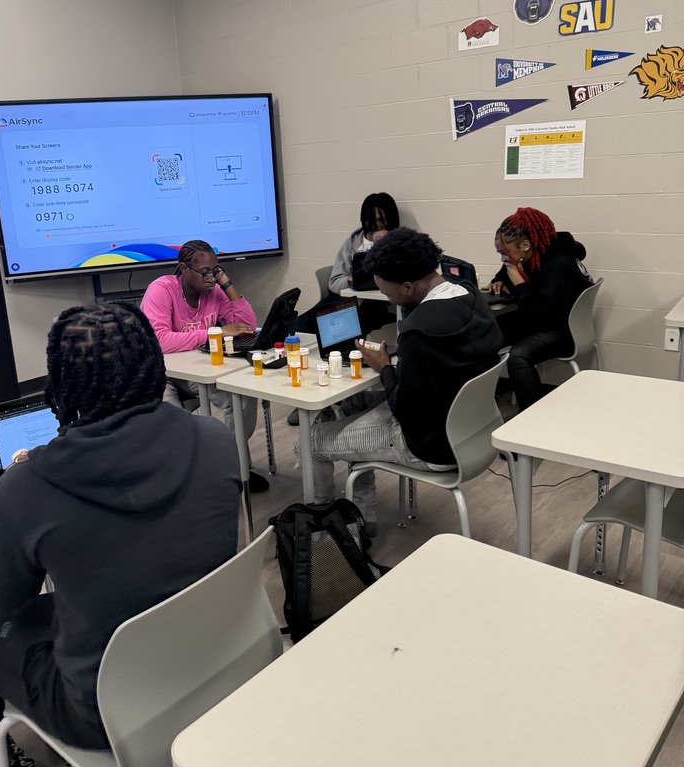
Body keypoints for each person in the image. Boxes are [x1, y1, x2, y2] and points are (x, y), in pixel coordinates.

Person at [0, 302, 241, 767]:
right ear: (154, 366)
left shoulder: (29, 486)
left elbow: (3, 600)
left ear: (60, 388)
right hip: (215, 664)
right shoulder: (216, 437)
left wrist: (17, 510)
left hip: (104, 714)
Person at [302, 227, 503, 535]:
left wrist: (384, 367)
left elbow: (403, 411)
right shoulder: (470, 295)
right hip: (473, 430)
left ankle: (324, 529)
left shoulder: (417, 330)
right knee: (354, 403)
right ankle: (363, 516)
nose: (387, 297)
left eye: (387, 293)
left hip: (429, 445)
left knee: (310, 442)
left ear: (408, 287)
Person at [141, 239, 268, 491]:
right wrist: (215, 333)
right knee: (173, 420)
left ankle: (233, 466)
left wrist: (227, 284)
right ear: (184, 268)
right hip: (161, 375)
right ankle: (188, 480)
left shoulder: (215, 292)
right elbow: (160, 340)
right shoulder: (162, 289)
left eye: (216, 271)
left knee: (243, 397)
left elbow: (247, 326)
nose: (212, 278)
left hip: (197, 373)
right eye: (206, 272)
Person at [289, 193, 400, 425]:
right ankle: (313, 397)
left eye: (383, 221)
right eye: (373, 222)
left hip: (378, 304)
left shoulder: (399, 241)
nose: (379, 227)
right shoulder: (353, 243)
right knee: (303, 325)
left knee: (348, 334)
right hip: (346, 299)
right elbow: (334, 281)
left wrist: (388, 248)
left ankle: (343, 394)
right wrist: (352, 280)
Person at [486, 207, 593, 410]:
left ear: (525, 245)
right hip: (539, 318)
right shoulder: (530, 254)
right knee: (484, 334)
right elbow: (504, 272)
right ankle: (480, 401)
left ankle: (532, 416)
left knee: (518, 356)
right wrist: (499, 281)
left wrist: (519, 282)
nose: (502, 259)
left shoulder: (561, 264)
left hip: (562, 330)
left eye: (504, 253)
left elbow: (542, 316)